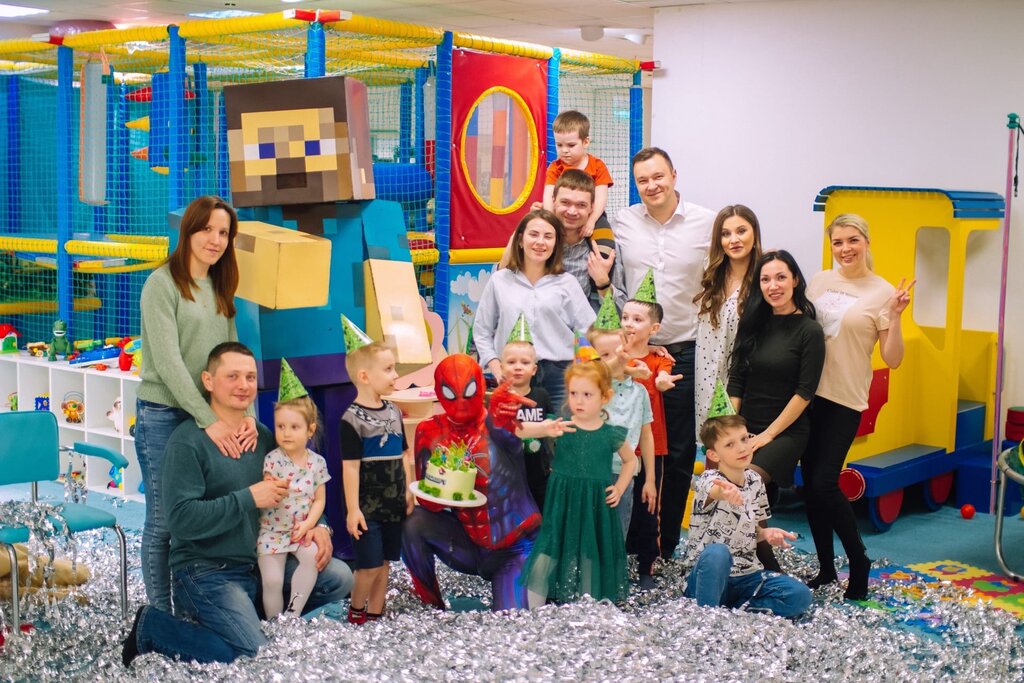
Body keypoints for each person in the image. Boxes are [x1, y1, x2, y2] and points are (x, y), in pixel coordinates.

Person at [122, 342, 353, 666]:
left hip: (259, 562)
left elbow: (302, 488)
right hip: (206, 570)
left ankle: (240, 622)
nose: (243, 385)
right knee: (253, 655)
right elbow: (180, 520)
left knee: (339, 577)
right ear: (208, 381)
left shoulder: (263, 436)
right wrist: (249, 498)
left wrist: (320, 526)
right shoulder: (188, 442)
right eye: (232, 376)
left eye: (250, 377)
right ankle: (153, 628)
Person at [136, 195, 258, 613]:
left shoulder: (219, 286)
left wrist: (246, 416)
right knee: (164, 521)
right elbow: (169, 363)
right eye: (207, 229)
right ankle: (160, 618)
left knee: (204, 513)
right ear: (188, 231)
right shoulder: (161, 285)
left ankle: (195, 607)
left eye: (223, 232)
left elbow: (233, 355)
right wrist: (210, 419)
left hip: (207, 415)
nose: (215, 240)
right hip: (164, 414)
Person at [612, 147, 716, 559]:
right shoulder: (623, 222)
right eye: (643, 180)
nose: (652, 185)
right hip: (634, 354)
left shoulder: (706, 222)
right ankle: (633, 539)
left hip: (684, 351)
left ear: (674, 175)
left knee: (676, 452)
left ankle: (666, 543)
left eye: (658, 176)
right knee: (631, 445)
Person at [804, 213, 914, 600]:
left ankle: (859, 560)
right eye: (838, 242)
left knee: (824, 481)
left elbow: (893, 358)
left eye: (853, 240)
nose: (845, 249)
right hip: (806, 396)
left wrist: (896, 317)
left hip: (845, 398)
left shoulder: (882, 292)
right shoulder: (819, 281)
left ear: (867, 242)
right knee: (810, 486)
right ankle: (825, 568)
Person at [728, 250, 824, 572]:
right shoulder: (752, 324)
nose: (773, 286)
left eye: (781, 277)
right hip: (746, 427)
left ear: (795, 279)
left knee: (749, 479)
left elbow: (805, 392)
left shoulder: (809, 331)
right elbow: (737, 380)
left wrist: (766, 436)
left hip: (786, 431)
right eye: (766, 279)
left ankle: (770, 569)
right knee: (736, 486)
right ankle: (752, 563)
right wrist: (733, 432)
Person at [521, 361, 637, 606]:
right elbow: (519, 431)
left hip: (594, 505)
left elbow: (630, 461)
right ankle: (533, 612)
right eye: (573, 393)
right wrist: (543, 428)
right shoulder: (561, 426)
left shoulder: (611, 433)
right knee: (548, 550)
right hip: (561, 504)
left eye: (587, 395)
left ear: (605, 397)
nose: (579, 401)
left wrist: (619, 488)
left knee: (589, 554)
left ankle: (587, 610)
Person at [681, 414, 811, 618]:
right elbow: (713, 489)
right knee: (717, 553)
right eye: (730, 444)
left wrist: (765, 533)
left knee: (800, 595)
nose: (742, 448)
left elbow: (749, 529)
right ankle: (707, 617)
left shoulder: (756, 481)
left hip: (747, 576)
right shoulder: (709, 478)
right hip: (707, 577)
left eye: (744, 439)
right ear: (714, 455)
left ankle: (735, 609)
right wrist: (725, 493)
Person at [474, 209, 596, 410]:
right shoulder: (499, 280)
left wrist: (581, 369)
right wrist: (495, 366)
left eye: (548, 236)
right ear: (520, 240)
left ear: (556, 244)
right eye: (534, 234)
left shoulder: (567, 282)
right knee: (514, 428)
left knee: (559, 428)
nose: (540, 242)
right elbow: (482, 330)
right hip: (513, 374)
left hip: (559, 376)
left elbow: (589, 329)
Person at [340, 330, 415, 624]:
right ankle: (357, 610)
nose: (395, 375)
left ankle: (375, 614)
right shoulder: (351, 419)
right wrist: (353, 509)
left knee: (384, 563)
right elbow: (350, 468)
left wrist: (408, 489)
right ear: (364, 376)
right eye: (388, 369)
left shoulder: (394, 411)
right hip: (367, 507)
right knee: (369, 565)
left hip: (393, 504)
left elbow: (404, 454)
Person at [619, 272, 682, 587]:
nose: (629, 324)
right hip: (617, 446)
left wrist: (661, 381)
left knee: (648, 507)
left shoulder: (659, 361)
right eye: (625, 318)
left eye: (638, 319)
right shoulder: (613, 357)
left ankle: (647, 568)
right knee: (616, 502)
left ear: (654, 328)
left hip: (650, 446)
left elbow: (662, 379)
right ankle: (614, 560)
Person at [256, 361, 330, 619]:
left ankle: (292, 615)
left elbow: (319, 500)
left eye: (294, 427)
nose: (286, 433)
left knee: (312, 559)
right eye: (280, 426)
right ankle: (275, 622)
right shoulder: (272, 460)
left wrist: (309, 524)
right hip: (272, 531)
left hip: (300, 531)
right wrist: (271, 487)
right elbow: (268, 492)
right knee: (272, 580)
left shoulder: (317, 463)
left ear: (310, 430)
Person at [500, 170, 623, 312]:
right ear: (553, 201)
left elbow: (622, 310)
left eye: (581, 205)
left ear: (592, 207)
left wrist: (603, 283)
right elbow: (500, 282)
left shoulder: (602, 249)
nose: (572, 211)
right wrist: (525, 226)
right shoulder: (538, 243)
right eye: (565, 202)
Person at [586, 296, 656, 540]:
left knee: (616, 535)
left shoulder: (640, 392)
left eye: (615, 353)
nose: (611, 359)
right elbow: (604, 371)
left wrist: (650, 478)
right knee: (588, 533)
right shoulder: (592, 388)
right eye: (602, 355)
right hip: (591, 472)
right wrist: (624, 364)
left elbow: (646, 436)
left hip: (624, 474)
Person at [694, 205, 763, 443]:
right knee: (710, 448)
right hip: (706, 378)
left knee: (738, 446)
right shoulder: (710, 274)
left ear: (755, 233)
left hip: (744, 383)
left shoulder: (764, 279)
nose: (733, 240)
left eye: (741, 231)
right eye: (725, 234)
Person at [501, 314, 555, 510]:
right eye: (511, 362)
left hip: (539, 474)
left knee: (541, 516)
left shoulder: (542, 395)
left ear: (534, 369)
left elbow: (551, 431)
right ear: (501, 367)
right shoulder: (499, 401)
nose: (518, 367)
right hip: (507, 474)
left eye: (524, 363)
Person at [542, 110, 613, 236]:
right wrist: (552, 221)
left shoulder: (597, 166)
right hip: (562, 215)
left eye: (571, 145)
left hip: (593, 215)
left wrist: (591, 221)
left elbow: (601, 198)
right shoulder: (555, 168)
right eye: (559, 145)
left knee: (605, 240)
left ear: (585, 142)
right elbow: (548, 197)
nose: (564, 150)